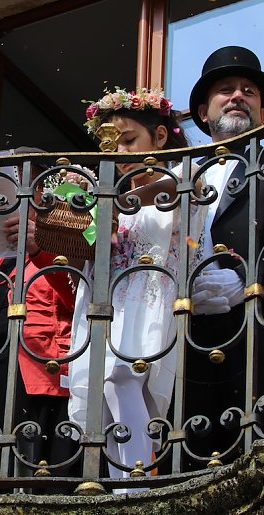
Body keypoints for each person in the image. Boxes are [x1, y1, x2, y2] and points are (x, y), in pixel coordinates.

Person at [67, 87, 195, 485]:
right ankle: (116, 485)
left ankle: (136, 484)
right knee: (101, 399)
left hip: (147, 299)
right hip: (103, 305)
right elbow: (77, 262)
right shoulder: (106, 196)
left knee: (125, 379)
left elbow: (166, 193)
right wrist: (73, 209)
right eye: (109, 144)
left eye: (127, 140)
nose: (119, 153)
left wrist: (102, 202)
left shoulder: (181, 176)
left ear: (159, 137)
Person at [184, 46, 264, 464]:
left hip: (258, 327)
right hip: (186, 331)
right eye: (225, 89)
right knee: (191, 454)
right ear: (203, 111)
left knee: (258, 453)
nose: (237, 96)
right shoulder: (180, 175)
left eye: (248, 90)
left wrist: (246, 280)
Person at [0, 160, 79, 478]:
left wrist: (41, 247)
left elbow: (82, 301)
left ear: (38, 193)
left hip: (38, 381)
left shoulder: (60, 240)